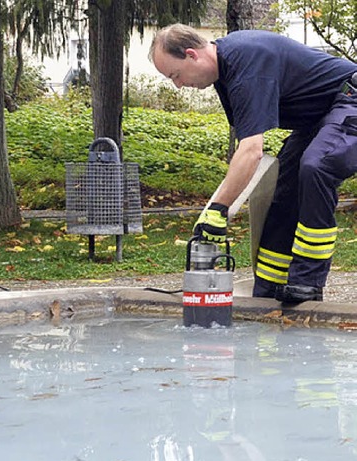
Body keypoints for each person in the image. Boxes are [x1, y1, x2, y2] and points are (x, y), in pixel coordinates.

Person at [149, 24, 357, 304]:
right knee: (285, 185)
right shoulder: (227, 73)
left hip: (350, 99)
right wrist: (217, 209)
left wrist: (217, 209)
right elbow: (245, 151)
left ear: (191, 55)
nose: (178, 84)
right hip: (322, 114)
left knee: (316, 166)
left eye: (175, 75)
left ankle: (308, 282)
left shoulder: (246, 63)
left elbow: (251, 151)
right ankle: (269, 289)